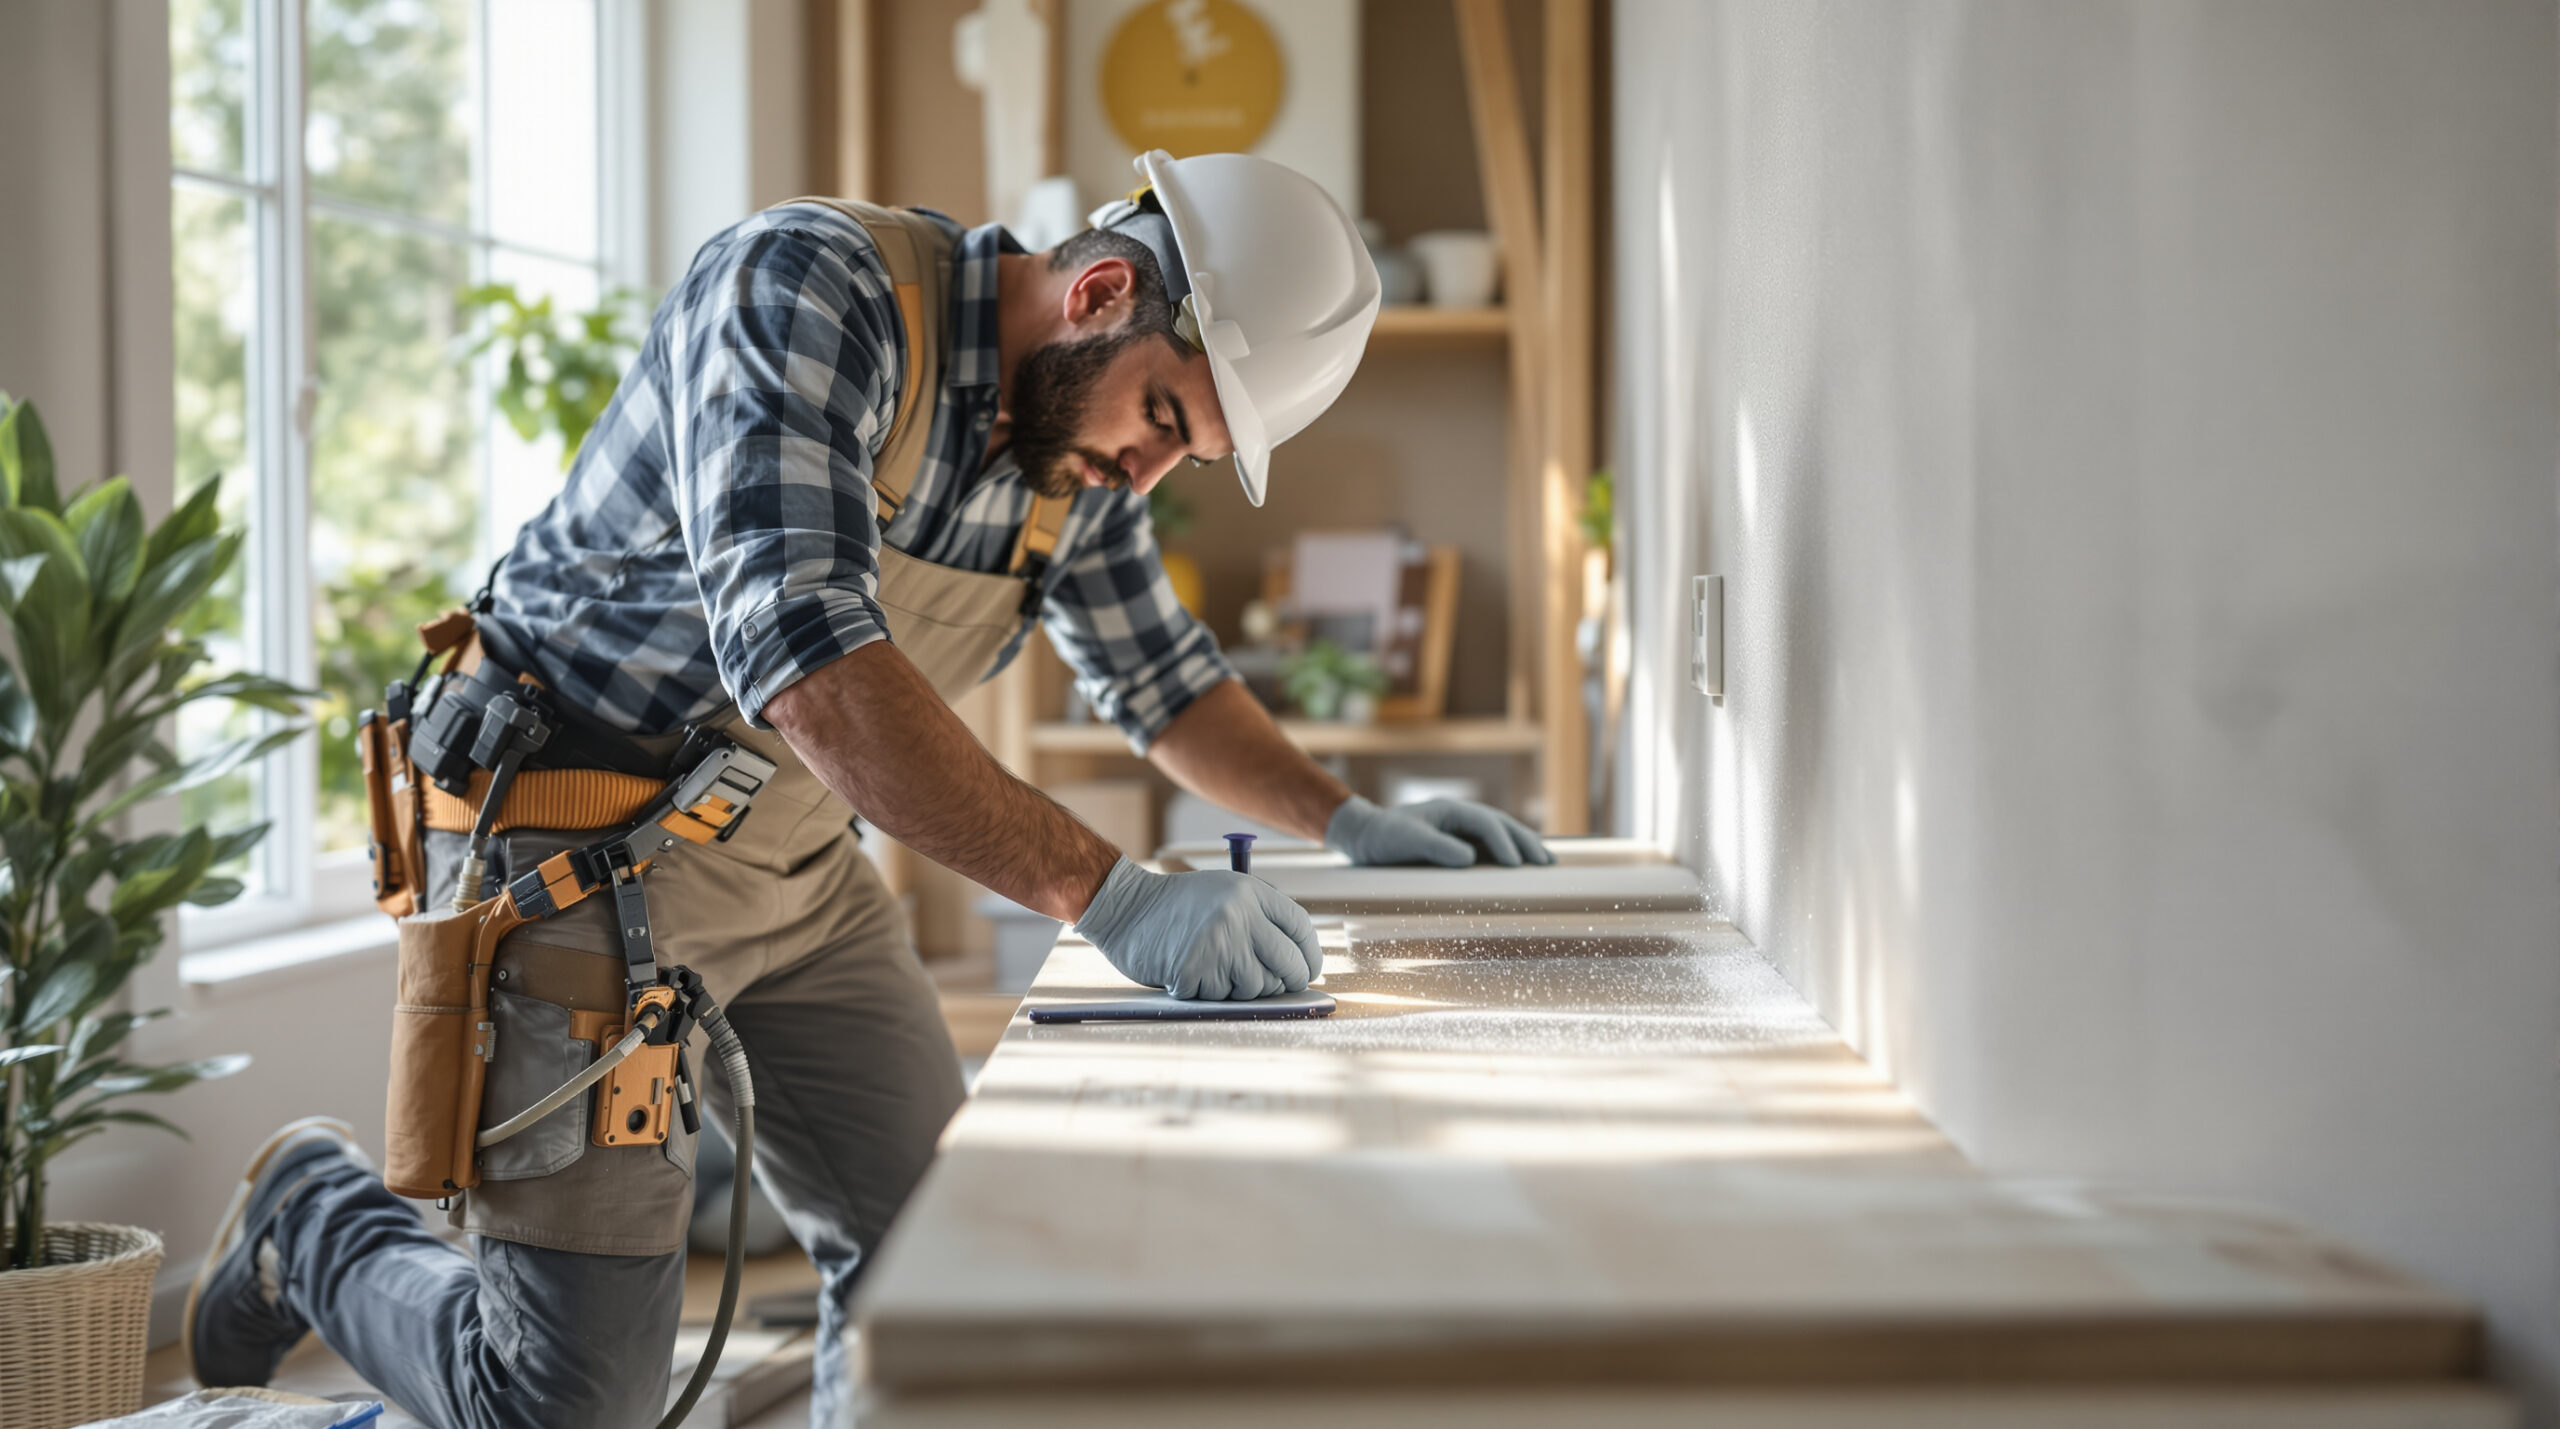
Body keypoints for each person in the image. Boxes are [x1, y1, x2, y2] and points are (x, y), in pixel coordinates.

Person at [183, 150, 1552, 1429]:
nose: (1146, 472)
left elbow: (1164, 679)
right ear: (1100, 293)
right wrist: (1109, 891)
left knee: (930, 1263)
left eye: (1179, 454)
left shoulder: (1066, 453)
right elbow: (809, 671)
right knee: (569, 1402)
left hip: (787, 850)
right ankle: (314, 1216)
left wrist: (1351, 816)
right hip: (570, 840)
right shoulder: (808, 291)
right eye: (1162, 421)